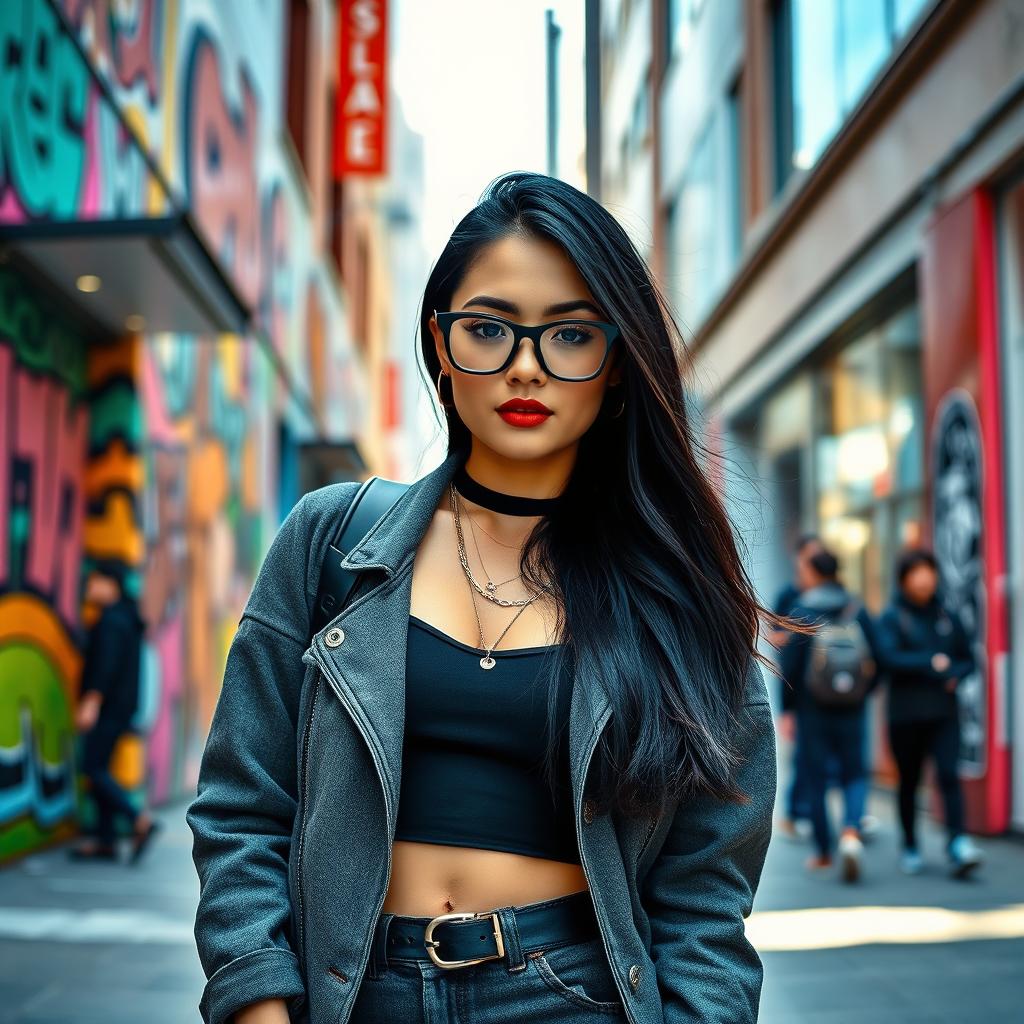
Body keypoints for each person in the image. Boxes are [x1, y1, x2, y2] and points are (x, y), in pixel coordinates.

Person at [186, 172, 784, 1024]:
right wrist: (256, 1002)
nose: (525, 368)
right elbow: (242, 807)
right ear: (439, 342)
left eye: (570, 335)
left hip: (573, 996)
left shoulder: (678, 590)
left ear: (616, 365)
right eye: (489, 330)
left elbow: (706, 898)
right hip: (354, 994)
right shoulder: (331, 543)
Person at [876, 548, 983, 878]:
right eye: (917, 573)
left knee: (949, 775)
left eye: (929, 571)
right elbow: (890, 658)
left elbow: (968, 659)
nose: (924, 579)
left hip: (944, 714)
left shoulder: (947, 614)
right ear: (904, 578)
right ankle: (909, 845)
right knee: (909, 781)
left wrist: (956, 673)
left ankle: (957, 843)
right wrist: (934, 664)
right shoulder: (893, 616)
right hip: (906, 716)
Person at [779, 548, 881, 882]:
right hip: (852, 708)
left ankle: (824, 852)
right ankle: (851, 831)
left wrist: (788, 710)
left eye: (803, 568)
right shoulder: (855, 608)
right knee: (855, 772)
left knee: (817, 779)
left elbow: (789, 667)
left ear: (813, 572)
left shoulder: (803, 611)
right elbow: (879, 656)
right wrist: (863, 692)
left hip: (813, 709)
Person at [70, 561, 160, 864]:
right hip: (122, 708)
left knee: (92, 768)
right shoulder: (128, 619)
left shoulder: (111, 620)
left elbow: (106, 666)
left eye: (96, 580)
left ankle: (138, 819)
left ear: (112, 585)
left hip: (107, 707)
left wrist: (91, 701)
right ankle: (106, 841)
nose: (90, 586)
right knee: (100, 768)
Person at [771, 533, 821, 841]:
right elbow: (774, 638)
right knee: (804, 754)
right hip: (800, 685)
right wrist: (798, 637)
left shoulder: (831, 593)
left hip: (830, 690)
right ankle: (795, 810)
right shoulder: (789, 595)